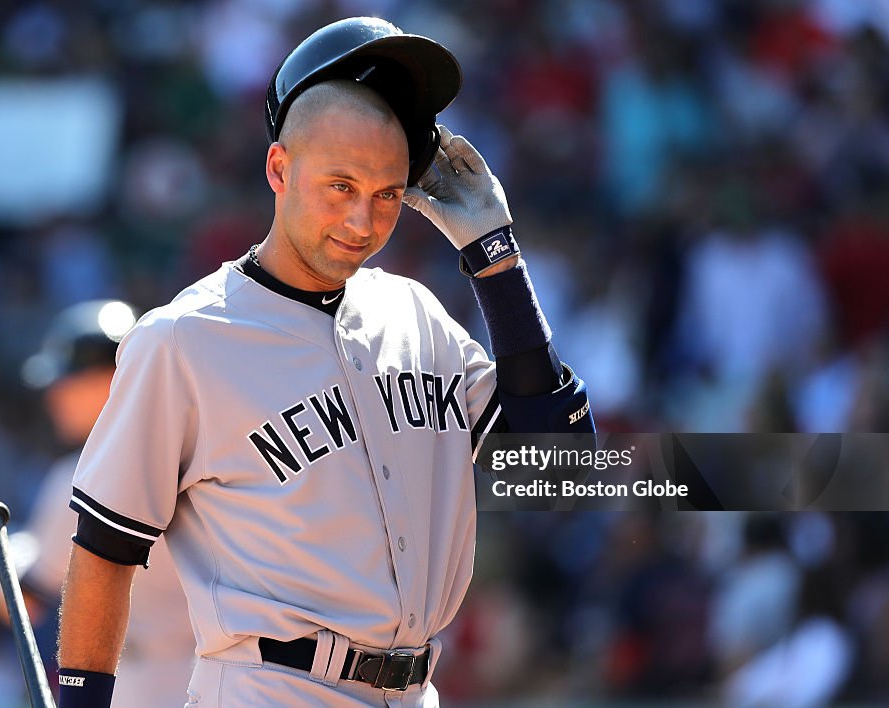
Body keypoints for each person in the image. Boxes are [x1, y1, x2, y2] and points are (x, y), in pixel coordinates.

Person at [56, 17, 595, 707]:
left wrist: (495, 257)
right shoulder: (182, 339)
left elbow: (564, 467)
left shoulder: (416, 314)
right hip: (272, 687)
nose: (363, 222)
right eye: (340, 186)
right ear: (280, 168)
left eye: (388, 194)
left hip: (418, 689)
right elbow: (105, 550)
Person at [0, 299, 196, 707]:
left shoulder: (79, 476)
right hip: (224, 677)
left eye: (70, 379)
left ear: (114, 377)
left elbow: (22, 601)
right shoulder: (197, 448)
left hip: (138, 683)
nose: (54, 395)